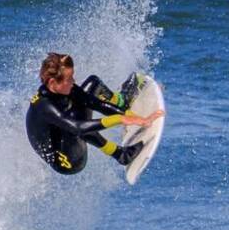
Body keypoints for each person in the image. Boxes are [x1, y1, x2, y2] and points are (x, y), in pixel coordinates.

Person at [25, 52, 164, 175]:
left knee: (93, 84)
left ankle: (123, 103)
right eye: (69, 79)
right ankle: (121, 154)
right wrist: (120, 119)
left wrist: (130, 115)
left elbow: (94, 103)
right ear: (52, 82)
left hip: (68, 133)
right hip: (67, 160)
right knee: (77, 122)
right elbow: (77, 127)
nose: (73, 81)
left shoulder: (63, 89)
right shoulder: (44, 106)